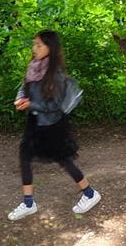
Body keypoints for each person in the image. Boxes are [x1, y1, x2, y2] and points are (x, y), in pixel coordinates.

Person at [8, 30, 101, 221]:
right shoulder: (34, 67)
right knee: (25, 156)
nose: (35, 48)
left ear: (50, 48)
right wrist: (20, 99)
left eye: (39, 45)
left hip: (52, 125)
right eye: (34, 44)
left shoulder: (55, 75)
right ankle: (28, 203)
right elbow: (23, 87)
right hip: (35, 122)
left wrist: (31, 104)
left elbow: (55, 106)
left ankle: (90, 194)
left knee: (64, 159)